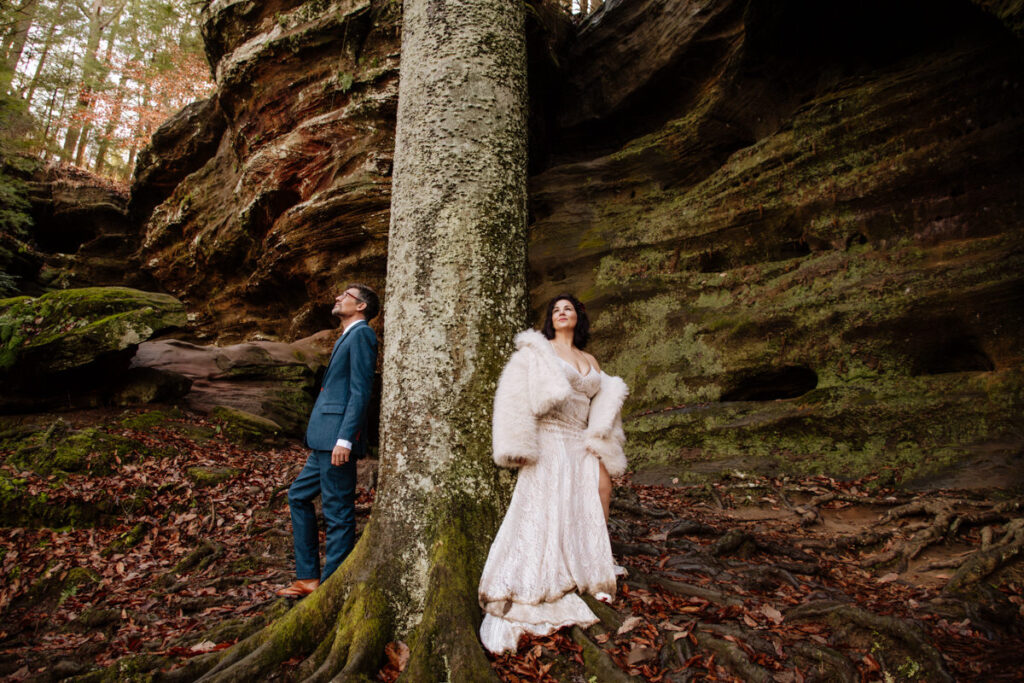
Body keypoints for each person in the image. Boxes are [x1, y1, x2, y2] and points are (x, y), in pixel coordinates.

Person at [478, 293, 629, 654]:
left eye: (569, 309)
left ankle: (594, 556)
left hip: (582, 438)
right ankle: (559, 564)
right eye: (556, 310)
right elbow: (514, 395)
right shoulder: (539, 350)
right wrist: (517, 443)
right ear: (551, 319)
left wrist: (605, 438)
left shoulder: (589, 358)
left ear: (579, 317)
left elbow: (601, 401)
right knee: (551, 502)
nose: (563, 313)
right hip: (550, 437)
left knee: (601, 488)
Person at [277, 283, 380, 598]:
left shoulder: (362, 335)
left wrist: (345, 439)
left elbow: (361, 391)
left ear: (361, 306)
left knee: (337, 511)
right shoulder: (347, 336)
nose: (338, 298)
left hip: (336, 440)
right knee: (297, 496)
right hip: (323, 439)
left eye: (346, 295)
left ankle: (333, 587)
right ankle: (308, 577)